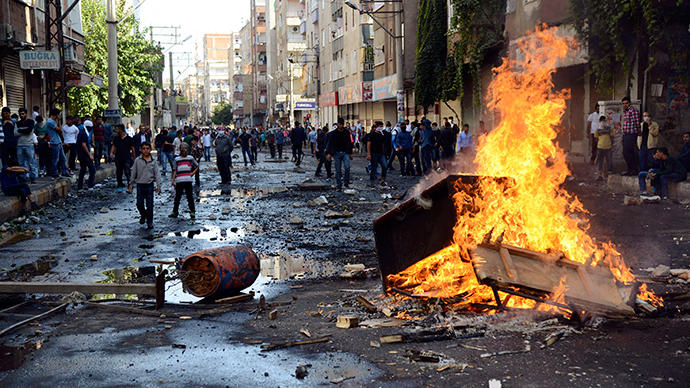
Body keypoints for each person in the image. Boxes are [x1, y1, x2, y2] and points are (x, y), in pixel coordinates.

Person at [129, 141, 162, 229]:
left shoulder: (153, 161)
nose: (146, 151)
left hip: (149, 185)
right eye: (144, 149)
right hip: (140, 185)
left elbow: (157, 174)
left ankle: (150, 221)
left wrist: (159, 186)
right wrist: (131, 184)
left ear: (150, 149)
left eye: (147, 149)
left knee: (150, 204)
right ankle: (143, 215)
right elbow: (133, 173)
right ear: (141, 150)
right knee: (139, 204)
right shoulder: (137, 160)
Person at [169, 143, 198, 219]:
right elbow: (175, 170)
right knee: (177, 197)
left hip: (188, 180)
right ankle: (175, 211)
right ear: (180, 149)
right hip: (179, 180)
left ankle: (192, 211)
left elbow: (197, 165)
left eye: (186, 148)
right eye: (183, 148)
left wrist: (193, 173)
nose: (185, 150)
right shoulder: (177, 159)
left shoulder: (190, 158)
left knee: (190, 197)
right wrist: (173, 180)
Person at [326, 118, 353, 189]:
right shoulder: (334, 133)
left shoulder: (346, 132)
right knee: (338, 169)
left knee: (347, 167)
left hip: (345, 152)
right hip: (337, 153)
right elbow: (330, 143)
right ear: (337, 124)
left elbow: (349, 142)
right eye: (340, 124)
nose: (341, 126)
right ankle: (339, 184)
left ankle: (346, 182)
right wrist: (329, 153)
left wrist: (350, 153)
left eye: (342, 124)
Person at [110, 124, 135, 193]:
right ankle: (120, 186)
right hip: (118, 158)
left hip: (127, 158)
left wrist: (134, 157)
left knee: (127, 172)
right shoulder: (116, 138)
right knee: (119, 172)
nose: (116, 130)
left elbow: (133, 149)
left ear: (121, 130)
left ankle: (130, 187)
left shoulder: (129, 139)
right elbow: (113, 146)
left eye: (117, 129)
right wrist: (111, 153)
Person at [15, 108, 37, 183]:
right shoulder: (17, 123)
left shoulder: (31, 122)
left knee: (31, 162)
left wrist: (21, 131)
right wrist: (25, 131)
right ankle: (22, 177)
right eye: (20, 114)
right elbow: (15, 133)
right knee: (21, 162)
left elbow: (29, 131)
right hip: (20, 145)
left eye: (23, 114)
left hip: (29, 144)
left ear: (26, 114)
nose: (21, 115)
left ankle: (32, 177)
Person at [46, 108, 69, 178]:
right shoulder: (51, 122)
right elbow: (60, 129)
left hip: (58, 141)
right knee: (56, 159)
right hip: (54, 142)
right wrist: (59, 120)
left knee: (62, 158)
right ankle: (54, 173)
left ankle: (64, 171)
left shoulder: (52, 121)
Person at [621, 97, 640, 176]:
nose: (625, 105)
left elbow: (636, 122)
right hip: (626, 134)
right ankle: (630, 169)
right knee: (626, 152)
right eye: (623, 103)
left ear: (630, 103)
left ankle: (634, 169)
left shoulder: (633, 111)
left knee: (628, 152)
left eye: (626, 103)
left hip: (631, 134)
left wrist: (639, 131)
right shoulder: (626, 112)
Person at [76, 121, 96, 191]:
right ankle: (90, 185)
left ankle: (80, 187)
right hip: (85, 155)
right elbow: (84, 145)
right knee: (92, 169)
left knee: (83, 170)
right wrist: (90, 155)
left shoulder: (81, 133)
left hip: (81, 155)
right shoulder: (84, 134)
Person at [367, 121, 387, 186]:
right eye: (380, 126)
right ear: (376, 127)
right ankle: (372, 181)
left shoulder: (382, 135)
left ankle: (382, 180)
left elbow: (383, 144)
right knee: (374, 168)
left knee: (384, 166)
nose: (381, 128)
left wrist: (384, 152)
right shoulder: (372, 135)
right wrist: (369, 154)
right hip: (374, 154)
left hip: (381, 154)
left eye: (382, 126)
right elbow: (368, 144)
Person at [594, 116, 613, 181]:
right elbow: (596, 138)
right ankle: (600, 175)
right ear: (599, 121)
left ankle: (610, 175)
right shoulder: (597, 130)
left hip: (608, 147)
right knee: (600, 162)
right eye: (601, 120)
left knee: (609, 161)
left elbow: (611, 137)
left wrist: (610, 143)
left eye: (604, 121)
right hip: (600, 147)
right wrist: (600, 143)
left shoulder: (609, 129)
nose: (602, 122)